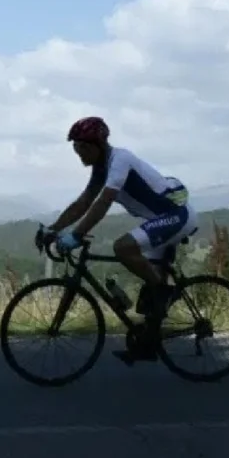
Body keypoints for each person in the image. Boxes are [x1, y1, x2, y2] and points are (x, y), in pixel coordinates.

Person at [42, 116, 198, 364]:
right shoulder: (100, 169)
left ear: (98, 145)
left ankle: (166, 293)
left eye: (82, 147)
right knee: (149, 294)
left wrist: (75, 235)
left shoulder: (120, 160)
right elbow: (84, 203)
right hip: (163, 218)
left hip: (176, 216)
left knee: (123, 248)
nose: (79, 153)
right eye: (75, 148)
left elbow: (103, 202)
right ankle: (148, 343)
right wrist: (53, 229)